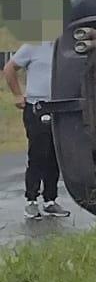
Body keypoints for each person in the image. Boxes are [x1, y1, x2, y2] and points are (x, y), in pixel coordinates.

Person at [4, 41, 71, 219]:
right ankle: (31, 200)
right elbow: (10, 68)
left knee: (55, 155)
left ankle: (50, 200)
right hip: (37, 107)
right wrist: (17, 94)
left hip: (59, 107)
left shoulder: (65, 48)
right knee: (38, 154)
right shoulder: (32, 47)